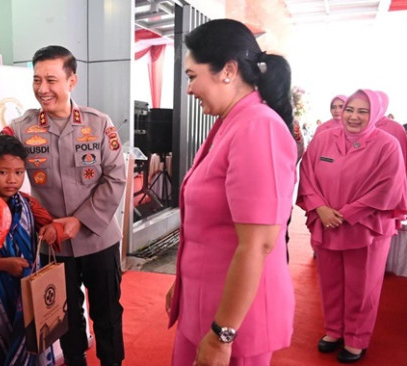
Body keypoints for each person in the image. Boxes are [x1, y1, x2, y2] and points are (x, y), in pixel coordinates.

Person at [165, 19, 297, 365]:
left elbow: (258, 243)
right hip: (207, 301)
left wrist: (223, 335)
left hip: (235, 320)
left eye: (192, 76)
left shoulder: (258, 127)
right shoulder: (230, 123)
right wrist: (183, 285)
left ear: (228, 70)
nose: (189, 89)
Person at [1, 45, 127, 366]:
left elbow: (115, 178)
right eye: (36, 80)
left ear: (72, 81)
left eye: (51, 80)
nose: (42, 89)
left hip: (98, 239)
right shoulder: (21, 128)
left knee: (108, 314)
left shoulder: (99, 124)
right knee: (63, 318)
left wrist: (79, 221)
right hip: (53, 245)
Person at [297, 89, 407, 363]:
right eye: (349, 109)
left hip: (366, 228)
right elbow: (307, 175)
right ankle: (334, 330)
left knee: (363, 286)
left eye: (363, 111)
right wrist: (320, 208)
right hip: (327, 223)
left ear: (376, 115)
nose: (353, 116)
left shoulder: (387, 144)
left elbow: (388, 186)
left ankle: (357, 338)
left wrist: (347, 213)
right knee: (330, 281)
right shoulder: (323, 139)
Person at [0, 134, 67, 366]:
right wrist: (0, 264)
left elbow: (49, 224)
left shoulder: (27, 203)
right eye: (3, 172)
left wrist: (51, 231)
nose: (12, 180)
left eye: (19, 173)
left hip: (26, 291)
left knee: (29, 344)